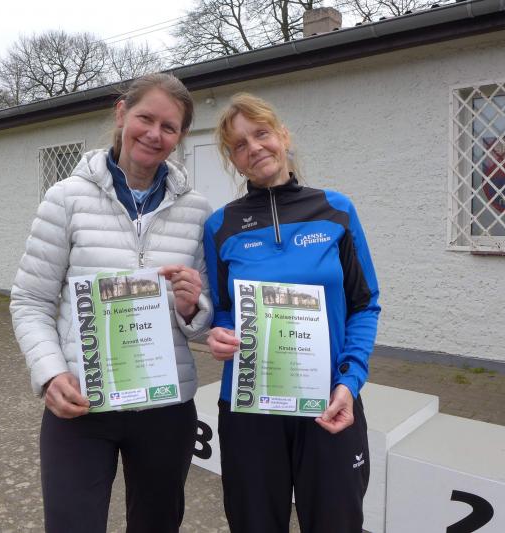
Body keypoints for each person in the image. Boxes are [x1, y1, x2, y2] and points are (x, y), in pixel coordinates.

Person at [10, 73, 213, 533]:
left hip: (165, 408)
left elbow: (203, 318)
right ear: (122, 113)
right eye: (146, 118)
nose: (154, 134)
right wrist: (50, 373)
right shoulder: (66, 198)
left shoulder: (197, 210)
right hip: (82, 404)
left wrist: (192, 307)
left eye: (169, 127)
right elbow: (30, 300)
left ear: (180, 136)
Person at [203, 93, 380, 533]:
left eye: (261, 133)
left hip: (328, 402)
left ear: (283, 136)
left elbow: (364, 304)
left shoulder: (336, 211)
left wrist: (350, 381)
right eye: (239, 145)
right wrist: (219, 333)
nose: (254, 148)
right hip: (249, 410)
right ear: (233, 161)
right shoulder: (220, 226)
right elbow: (221, 310)